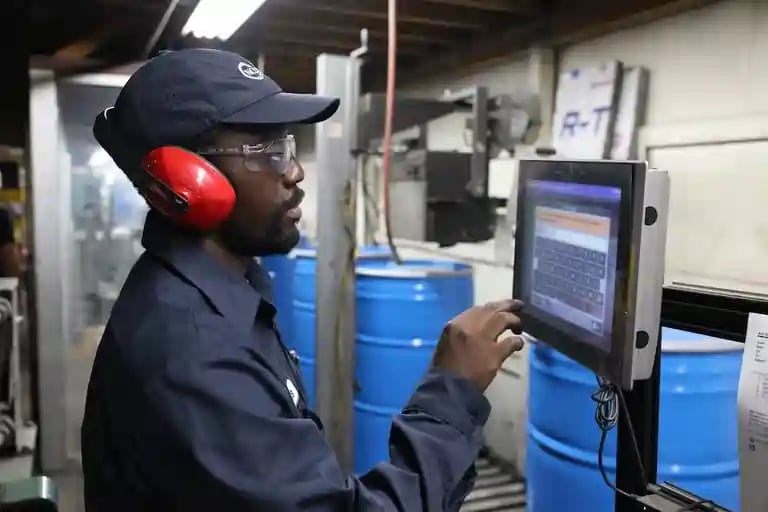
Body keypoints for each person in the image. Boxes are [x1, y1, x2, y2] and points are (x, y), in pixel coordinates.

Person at [82, 48, 525, 512]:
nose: (294, 170)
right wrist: (453, 390)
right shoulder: (192, 354)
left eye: (287, 145)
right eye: (266, 150)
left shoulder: (224, 291)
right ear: (186, 179)